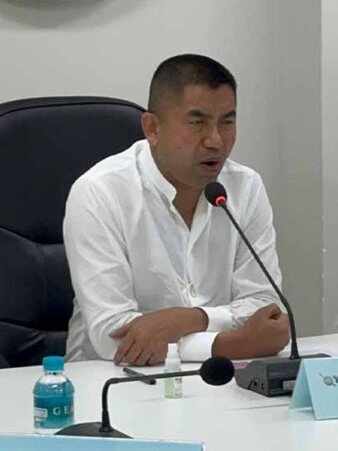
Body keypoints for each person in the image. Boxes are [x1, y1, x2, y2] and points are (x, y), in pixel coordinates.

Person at [64, 54, 290, 366]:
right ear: (152, 128)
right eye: (197, 122)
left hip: (218, 379)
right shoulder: (100, 192)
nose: (216, 141)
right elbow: (112, 335)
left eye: (227, 121)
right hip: (110, 377)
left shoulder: (245, 187)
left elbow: (266, 306)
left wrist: (189, 318)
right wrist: (234, 343)